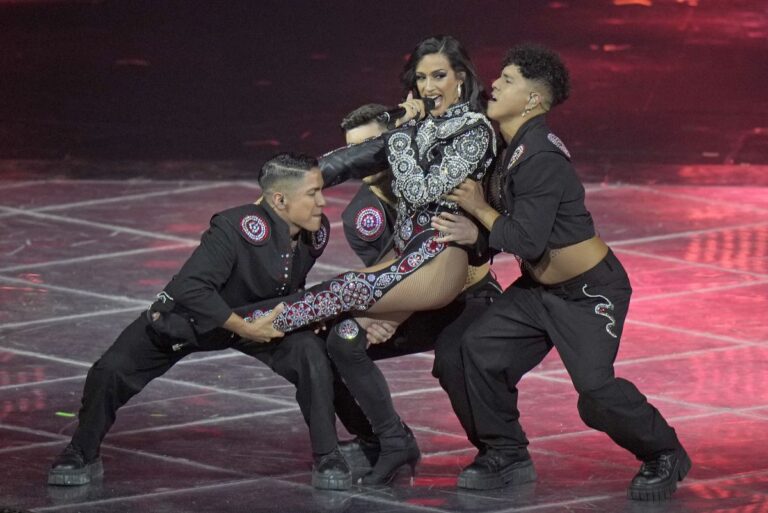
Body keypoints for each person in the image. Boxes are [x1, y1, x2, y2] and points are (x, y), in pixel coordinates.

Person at [433, 43, 691, 501]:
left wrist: (476, 210)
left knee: (595, 394)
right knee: (469, 351)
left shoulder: (541, 158)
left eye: (508, 80)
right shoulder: (509, 146)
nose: (496, 84)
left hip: (590, 294)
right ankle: (505, 453)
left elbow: (527, 239)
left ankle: (665, 453)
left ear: (533, 100)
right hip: (538, 291)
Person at [239, 35, 497, 485]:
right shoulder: (370, 206)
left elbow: (419, 192)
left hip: (453, 271)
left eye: (439, 75)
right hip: (409, 271)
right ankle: (392, 442)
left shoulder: (474, 129)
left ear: (461, 78)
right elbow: (350, 161)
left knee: (334, 295)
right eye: (421, 77)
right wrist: (289, 186)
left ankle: (228, 321)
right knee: (342, 332)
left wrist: (399, 134)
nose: (429, 85)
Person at [47, 153, 354, 491]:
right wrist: (242, 326)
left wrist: (299, 316)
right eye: (312, 193)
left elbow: (286, 280)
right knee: (111, 370)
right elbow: (189, 287)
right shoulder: (233, 228)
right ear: (279, 200)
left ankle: (328, 453)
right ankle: (81, 450)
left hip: (259, 318)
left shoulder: (317, 231)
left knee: (310, 353)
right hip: (193, 318)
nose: (323, 202)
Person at [332, 103, 503, 476]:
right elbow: (388, 273)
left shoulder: (442, 170)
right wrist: (377, 316)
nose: (364, 159)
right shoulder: (362, 218)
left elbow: (495, 231)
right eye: (354, 152)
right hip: (408, 301)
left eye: (372, 145)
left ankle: (501, 453)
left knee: (455, 359)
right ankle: (385, 440)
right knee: (336, 341)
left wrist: (478, 236)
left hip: (468, 295)